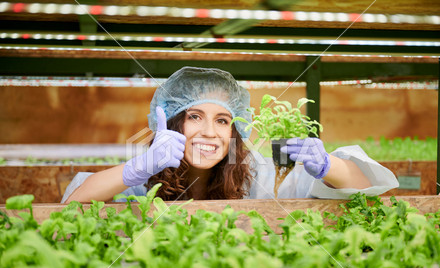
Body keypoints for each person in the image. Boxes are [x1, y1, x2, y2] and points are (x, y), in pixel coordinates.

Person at [62, 66, 398, 203]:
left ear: (236, 130)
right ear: (173, 123)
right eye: (195, 116)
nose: (209, 132)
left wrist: (329, 167)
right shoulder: (143, 180)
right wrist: (137, 168)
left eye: (223, 121)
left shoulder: (259, 176)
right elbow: (71, 203)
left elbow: (369, 188)